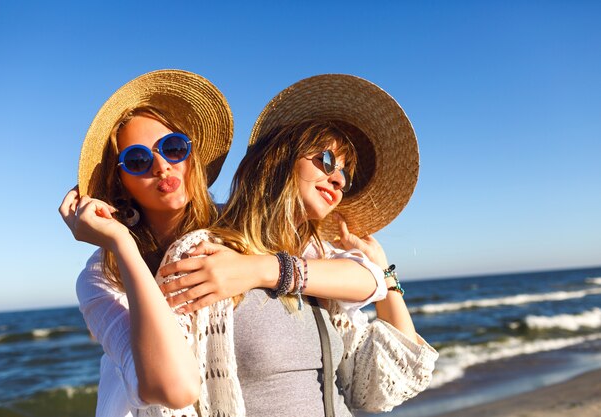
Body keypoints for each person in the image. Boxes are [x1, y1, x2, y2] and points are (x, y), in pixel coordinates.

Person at [59, 70, 396, 416]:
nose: (161, 166)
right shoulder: (102, 275)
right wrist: (121, 244)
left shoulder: (238, 226)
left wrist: (259, 269)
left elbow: (366, 276)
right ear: (120, 181)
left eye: (173, 148)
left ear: (191, 154)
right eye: (138, 160)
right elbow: (173, 388)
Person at [150, 74, 438, 417]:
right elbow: (168, 404)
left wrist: (386, 274)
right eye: (327, 160)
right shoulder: (204, 252)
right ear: (279, 158)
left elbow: (384, 384)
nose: (337, 178)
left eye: (346, 175)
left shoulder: (318, 270)